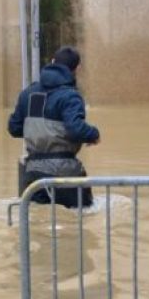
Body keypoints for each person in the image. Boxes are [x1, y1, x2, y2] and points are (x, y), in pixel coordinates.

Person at [8, 45, 100, 208]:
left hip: (34, 176)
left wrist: (38, 133)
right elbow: (75, 129)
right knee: (80, 224)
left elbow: (14, 128)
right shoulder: (70, 95)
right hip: (66, 175)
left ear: (52, 62)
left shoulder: (28, 94)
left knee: (37, 228)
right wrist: (94, 134)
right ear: (77, 69)